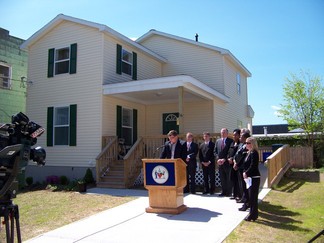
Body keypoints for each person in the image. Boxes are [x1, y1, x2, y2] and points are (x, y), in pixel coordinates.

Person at [242, 136, 261, 221]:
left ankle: (252, 215)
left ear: (252, 144)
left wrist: (246, 172)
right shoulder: (248, 152)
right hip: (249, 178)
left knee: (253, 197)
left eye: (248, 143)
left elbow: (253, 165)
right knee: (251, 197)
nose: (246, 144)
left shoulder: (254, 153)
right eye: (245, 143)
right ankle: (253, 214)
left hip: (254, 177)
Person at [214, 128, 234, 197]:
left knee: (228, 178)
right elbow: (215, 151)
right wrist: (218, 159)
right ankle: (223, 191)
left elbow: (230, 152)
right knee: (222, 178)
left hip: (227, 163)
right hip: (220, 163)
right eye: (222, 132)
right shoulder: (218, 141)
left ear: (227, 133)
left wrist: (224, 159)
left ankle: (229, 192)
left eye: (224, 132)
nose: (222, 133)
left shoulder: (230, 141)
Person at [234, 132, 250, 208]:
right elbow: (237, 154)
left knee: (245, 185)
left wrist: (237, 164)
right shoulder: (241, 144)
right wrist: (235, 162)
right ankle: (243, 198)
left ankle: (247, 202)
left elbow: (243, 157)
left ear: (245, 137)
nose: (239, 137)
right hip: (238, 167)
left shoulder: (247, 146)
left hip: (243, 168)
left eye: (241, 136)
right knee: (241, 185)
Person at [228, 129, 241, 200]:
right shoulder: (232, 143)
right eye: (233, 135)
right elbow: (229, 152)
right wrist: (228, 158)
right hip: (230, 165)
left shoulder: (240, 144)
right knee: (232, 179)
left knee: (237, 180)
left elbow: (238, 154)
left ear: (239, 135)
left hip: (237, 165)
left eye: (235, 135)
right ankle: (234, 194)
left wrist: (233, 159)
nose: (234, 136)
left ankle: (239, 194)